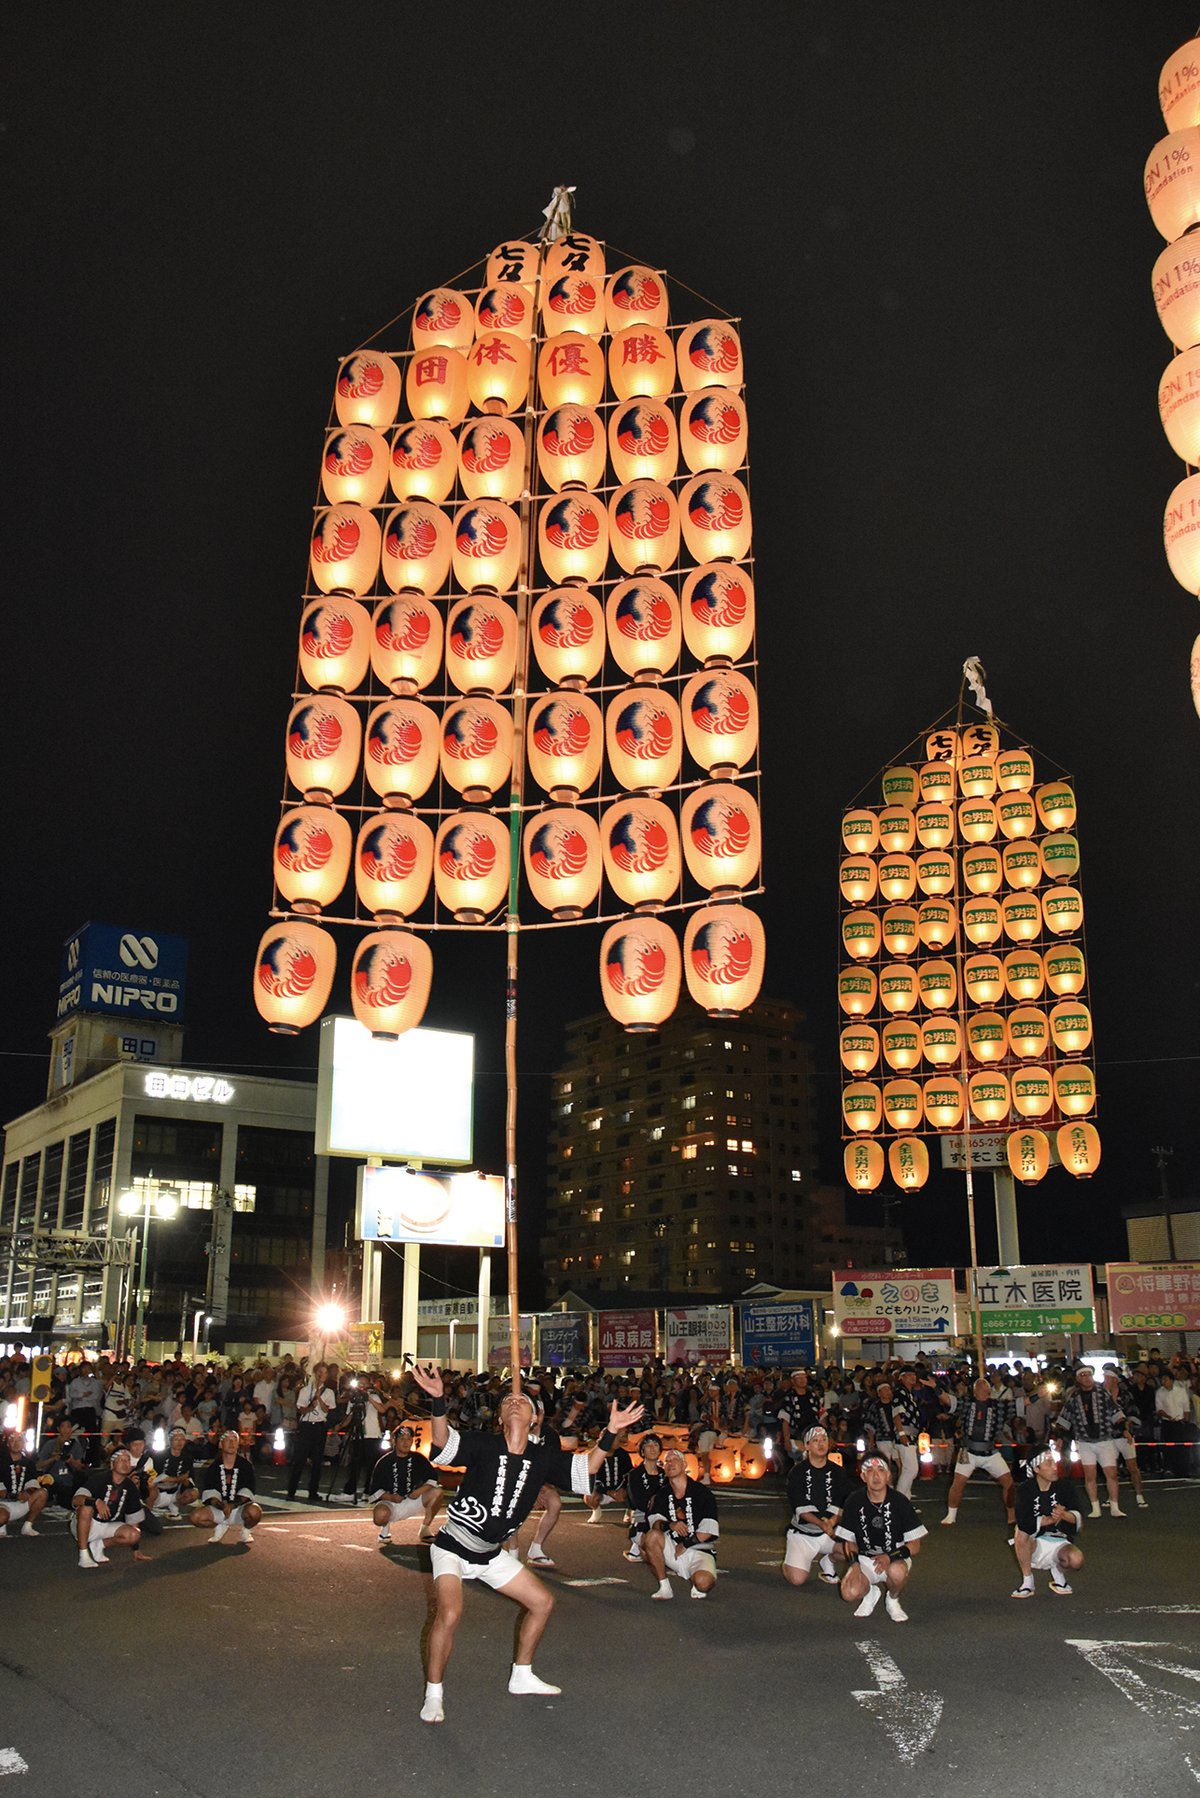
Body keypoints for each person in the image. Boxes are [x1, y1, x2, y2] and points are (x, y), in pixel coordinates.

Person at [410, 1364, 642, 1725]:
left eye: (523, 1400)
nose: (515, 1403)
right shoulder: (482, 1444)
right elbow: (442, 1443)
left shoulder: (542, 1457)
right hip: (453, 1545)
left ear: (535, 1418)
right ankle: (434, 1693)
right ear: (501, 1418)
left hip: (489, 1554)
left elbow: (587, 1469)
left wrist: (610, 1433)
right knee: (451, 1613)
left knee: (543, 1602)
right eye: (508, 1402)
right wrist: (438, 1400)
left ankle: (521, 1674)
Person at [837, 1454, 926, 1623]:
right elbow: (849, 1540)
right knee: (849, 1592)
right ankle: (870, 1592)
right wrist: (854, 1564)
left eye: (881, 1470)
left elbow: (915, 1545)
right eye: (869, 1471)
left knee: (897, 1572)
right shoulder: (854, 1501)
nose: (875, 1476)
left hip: (894, 1557)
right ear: (863, 1476)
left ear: (888, 1475)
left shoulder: (900, 1501)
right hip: (865, 1558)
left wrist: (889, 1557)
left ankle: (892, 1599)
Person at [642, 1446, 719, 1601]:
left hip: (699, 1549)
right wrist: (669, 1525)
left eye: (674, 1459)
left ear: (684, 1465)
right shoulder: (662, 1494)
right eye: (666, 1461)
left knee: (703, 1583)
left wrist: (686, 1545)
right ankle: (664, 1587)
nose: (670, 1463)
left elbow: (708, 1530)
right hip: (673, 1547)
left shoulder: (702, 1492)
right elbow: (654, 1524)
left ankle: (695, 1577)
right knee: (649, 1539)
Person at [939, 1377, 1017, 1528]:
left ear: (989, 1391)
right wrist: (936, 1388)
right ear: (974, 1392)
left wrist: (1039, 1394)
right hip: (968, 1451)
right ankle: (951, 1515)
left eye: (983, 1387)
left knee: (1009, 1483)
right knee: (958, 1483)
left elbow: (1021, 1404)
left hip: (991, 1452)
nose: (980, 1390)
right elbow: (948, 1400)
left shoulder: (999, 1405)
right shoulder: (967, 1403)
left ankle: (1011, 1516)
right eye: (977, 1387)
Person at [783, 1425, 853, 1589]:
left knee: (855, 1548)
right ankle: (790, 1562)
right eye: (815, 1441)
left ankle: (828, 1560)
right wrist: (822, 1524)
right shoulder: (797, 1472)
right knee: (797, 1579)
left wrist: (832, 1521)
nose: (821, 1444)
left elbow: (843, 1502)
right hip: (804, 1533)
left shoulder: (838, 1472)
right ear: (807, 1446)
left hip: (830, 1531)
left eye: (824, 1440)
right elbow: (800, 1507)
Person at [1010, 1445, 1084, 1598]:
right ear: (1036, 1469)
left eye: (1054, 1463)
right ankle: (1027, 1582)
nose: (1054, 1468)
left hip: (1059, 1540)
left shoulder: (1065, 1486)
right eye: (1048, 1464)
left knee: (1076, 1560)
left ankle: (1057, 1572)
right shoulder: (1025, 1489)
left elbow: (1078, 1518)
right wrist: (1047, 1520)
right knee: (1020, 1533)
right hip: (1034, 1542)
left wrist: (1064, 1515)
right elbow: (1023, 1521)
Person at [1054, 1366, 1126, 1517]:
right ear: (1078, 1379)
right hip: (1085, 1442)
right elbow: (1065, 1419)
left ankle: (1115, 1505)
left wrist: (1124, 1427)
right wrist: (1060, 1437)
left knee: (1111, 1474)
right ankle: (1095, 1507)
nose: (1087, 1378)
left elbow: (1115, 1411)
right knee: (1090, 1475)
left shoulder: (1102, 1393)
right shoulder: (1073, 1397)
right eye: (1083, 1375)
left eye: (1089, 1375)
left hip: (1105, 1440)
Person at [73, 1448, 150, 1569]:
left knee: (134, 1535)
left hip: (108, 1525)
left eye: (128, 1461)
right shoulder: (99, 1478)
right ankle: (83, 1554)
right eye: (121, 1460)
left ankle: (99, 1545)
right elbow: (76, 1499)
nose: (125, 1463)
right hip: (88, 1524)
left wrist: (136, 1549)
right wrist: (96, 1502)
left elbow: (134, 1519)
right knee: (86, 1508)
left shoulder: (131, 1487)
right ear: (112, 1464)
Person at [369, 1425, 443, 1545]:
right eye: (402, 1439)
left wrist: (419, 1491)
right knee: (380, 1515)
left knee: (437, 1492)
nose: (406, 1442)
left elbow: (433, 1478)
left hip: (413, 1500)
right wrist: (391, 1497)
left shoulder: (418, 1458)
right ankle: (385, 1528)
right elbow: (375, 1490)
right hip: (391, 1504)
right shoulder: (384, 1462)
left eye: (409, 1439)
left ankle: (425, 1529)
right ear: (395, 1441)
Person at [191, 1430, 262, 1545]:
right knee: (195, 1517)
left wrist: (232, 1505)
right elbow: (210, 1493)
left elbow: (248, 1491)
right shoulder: (213, 1467)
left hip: (239, 1509)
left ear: (238, 1444)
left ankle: (246, 1529)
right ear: (220, 1444)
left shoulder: (246, 1466)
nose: (231, 1443)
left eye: (234, 1440)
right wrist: (222, 1506)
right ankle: (220, 1525)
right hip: (220, 1509)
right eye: (228, 1440)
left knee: (255, 1511)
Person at [287, 1361, 335, 1504]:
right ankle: (291, 1490)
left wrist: (319, 1398)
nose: (322, 1375)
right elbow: (300, 1409)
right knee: (299, 1460)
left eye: (325, 1373)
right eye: (320, 1372)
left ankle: (313, 1491)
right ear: (315, 1373)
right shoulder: (305, 1390)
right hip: (306, 1426)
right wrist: (310, 1407)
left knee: (317, 1461)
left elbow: (327, 1410)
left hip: (319, 1427)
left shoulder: (329, 1392)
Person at [1103, 1372, 1148, 1509]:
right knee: (1110, 1469)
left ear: (1114, 1379)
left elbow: (1133, 1413)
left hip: (1124, 1435)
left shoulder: (1125, 1394)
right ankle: (1111, 1497)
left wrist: (1127, 1427)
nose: (1105, 1380)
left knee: (1132, 1467)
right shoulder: (1102, 1396)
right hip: (1108, 1436)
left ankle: (1139, 1495)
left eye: (1108, 1378)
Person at [624, 1431, 667, 1563]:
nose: (652, 1448)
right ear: (642, 1452)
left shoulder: (665, 1474)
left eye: (656, 1445)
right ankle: (639, 1546)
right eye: (648, 1446)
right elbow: (637, 1502)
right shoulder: (634, 1475)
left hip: (663, 1519)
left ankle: (637, 1551)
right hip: (642, 1519)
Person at [0, 1429, 48, 1539]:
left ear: (24, 1443)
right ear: (7, 1443)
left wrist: (28, 1492)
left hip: (20, 1503)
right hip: (3, 1503)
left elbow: (32, 1483)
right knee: (2, 1517)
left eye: (19, 1440)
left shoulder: (29, 1463)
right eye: (12, 1440)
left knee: (42, 1493)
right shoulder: (1, 1461)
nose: (16, 1443)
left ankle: (27, 1526)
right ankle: (2, 1525)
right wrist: (17, 1495)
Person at [36, 1418, 90, 1513]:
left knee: (68, 1498)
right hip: (51, 1479)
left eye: (68, 1427)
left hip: (68, 1481)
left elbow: (80, 1467)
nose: (65, 1430)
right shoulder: (50, 1444)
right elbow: (39, 1465)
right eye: (62, 1427)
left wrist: (71, 1461)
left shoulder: (76, 1445)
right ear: (58, 1429)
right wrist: (52, 1459)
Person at [584, 1427, 632, 1525]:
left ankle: (629, 1511)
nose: (618, 1441)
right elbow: (591, 1479)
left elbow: (629, 1474)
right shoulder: (594, 1455)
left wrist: (622, 1488)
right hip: (603, 1492)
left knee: (635, 1489)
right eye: (615, 1438)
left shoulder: (623, 1455)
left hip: (620, 1490)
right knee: (589, 1496)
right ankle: (596, 1511)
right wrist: (607, 1492)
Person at [150, 1424, 199, 1516]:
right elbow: (155, 1477)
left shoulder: (187, 1458)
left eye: (182, 1439)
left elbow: (190, 1478)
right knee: (151, 1485)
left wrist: (185, 1481)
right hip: (158, 1492)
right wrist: (178, 1479)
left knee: (194, 1493)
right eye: (176, 1439)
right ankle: (151, 1508)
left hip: (175, 1492)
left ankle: (175, 1504)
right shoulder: (159, 1456)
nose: (179, 1442)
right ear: (170, 1440)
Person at [777, 1369, 822, 1462]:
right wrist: (786, 1439)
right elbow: (785, 1421)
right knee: (800, 1461)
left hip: (814, 1433)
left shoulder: (812, 1396)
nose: (802, 1380)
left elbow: (821, 1415)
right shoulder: (789, 1398)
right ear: (793, 1381)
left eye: (804, 1377)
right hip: (796, 1434)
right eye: (799, 1378)